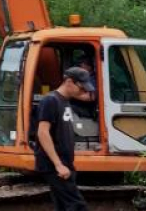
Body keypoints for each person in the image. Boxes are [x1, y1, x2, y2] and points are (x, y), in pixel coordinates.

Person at [30, 66, 95, 211]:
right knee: (77, 206)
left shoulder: (65, 101)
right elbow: (42, 133)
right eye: (82, 88)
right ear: (69, 82)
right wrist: (58, 164)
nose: (83, 91)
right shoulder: (50, 101)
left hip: (64, 163)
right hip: (54, 165)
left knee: (62, 206)